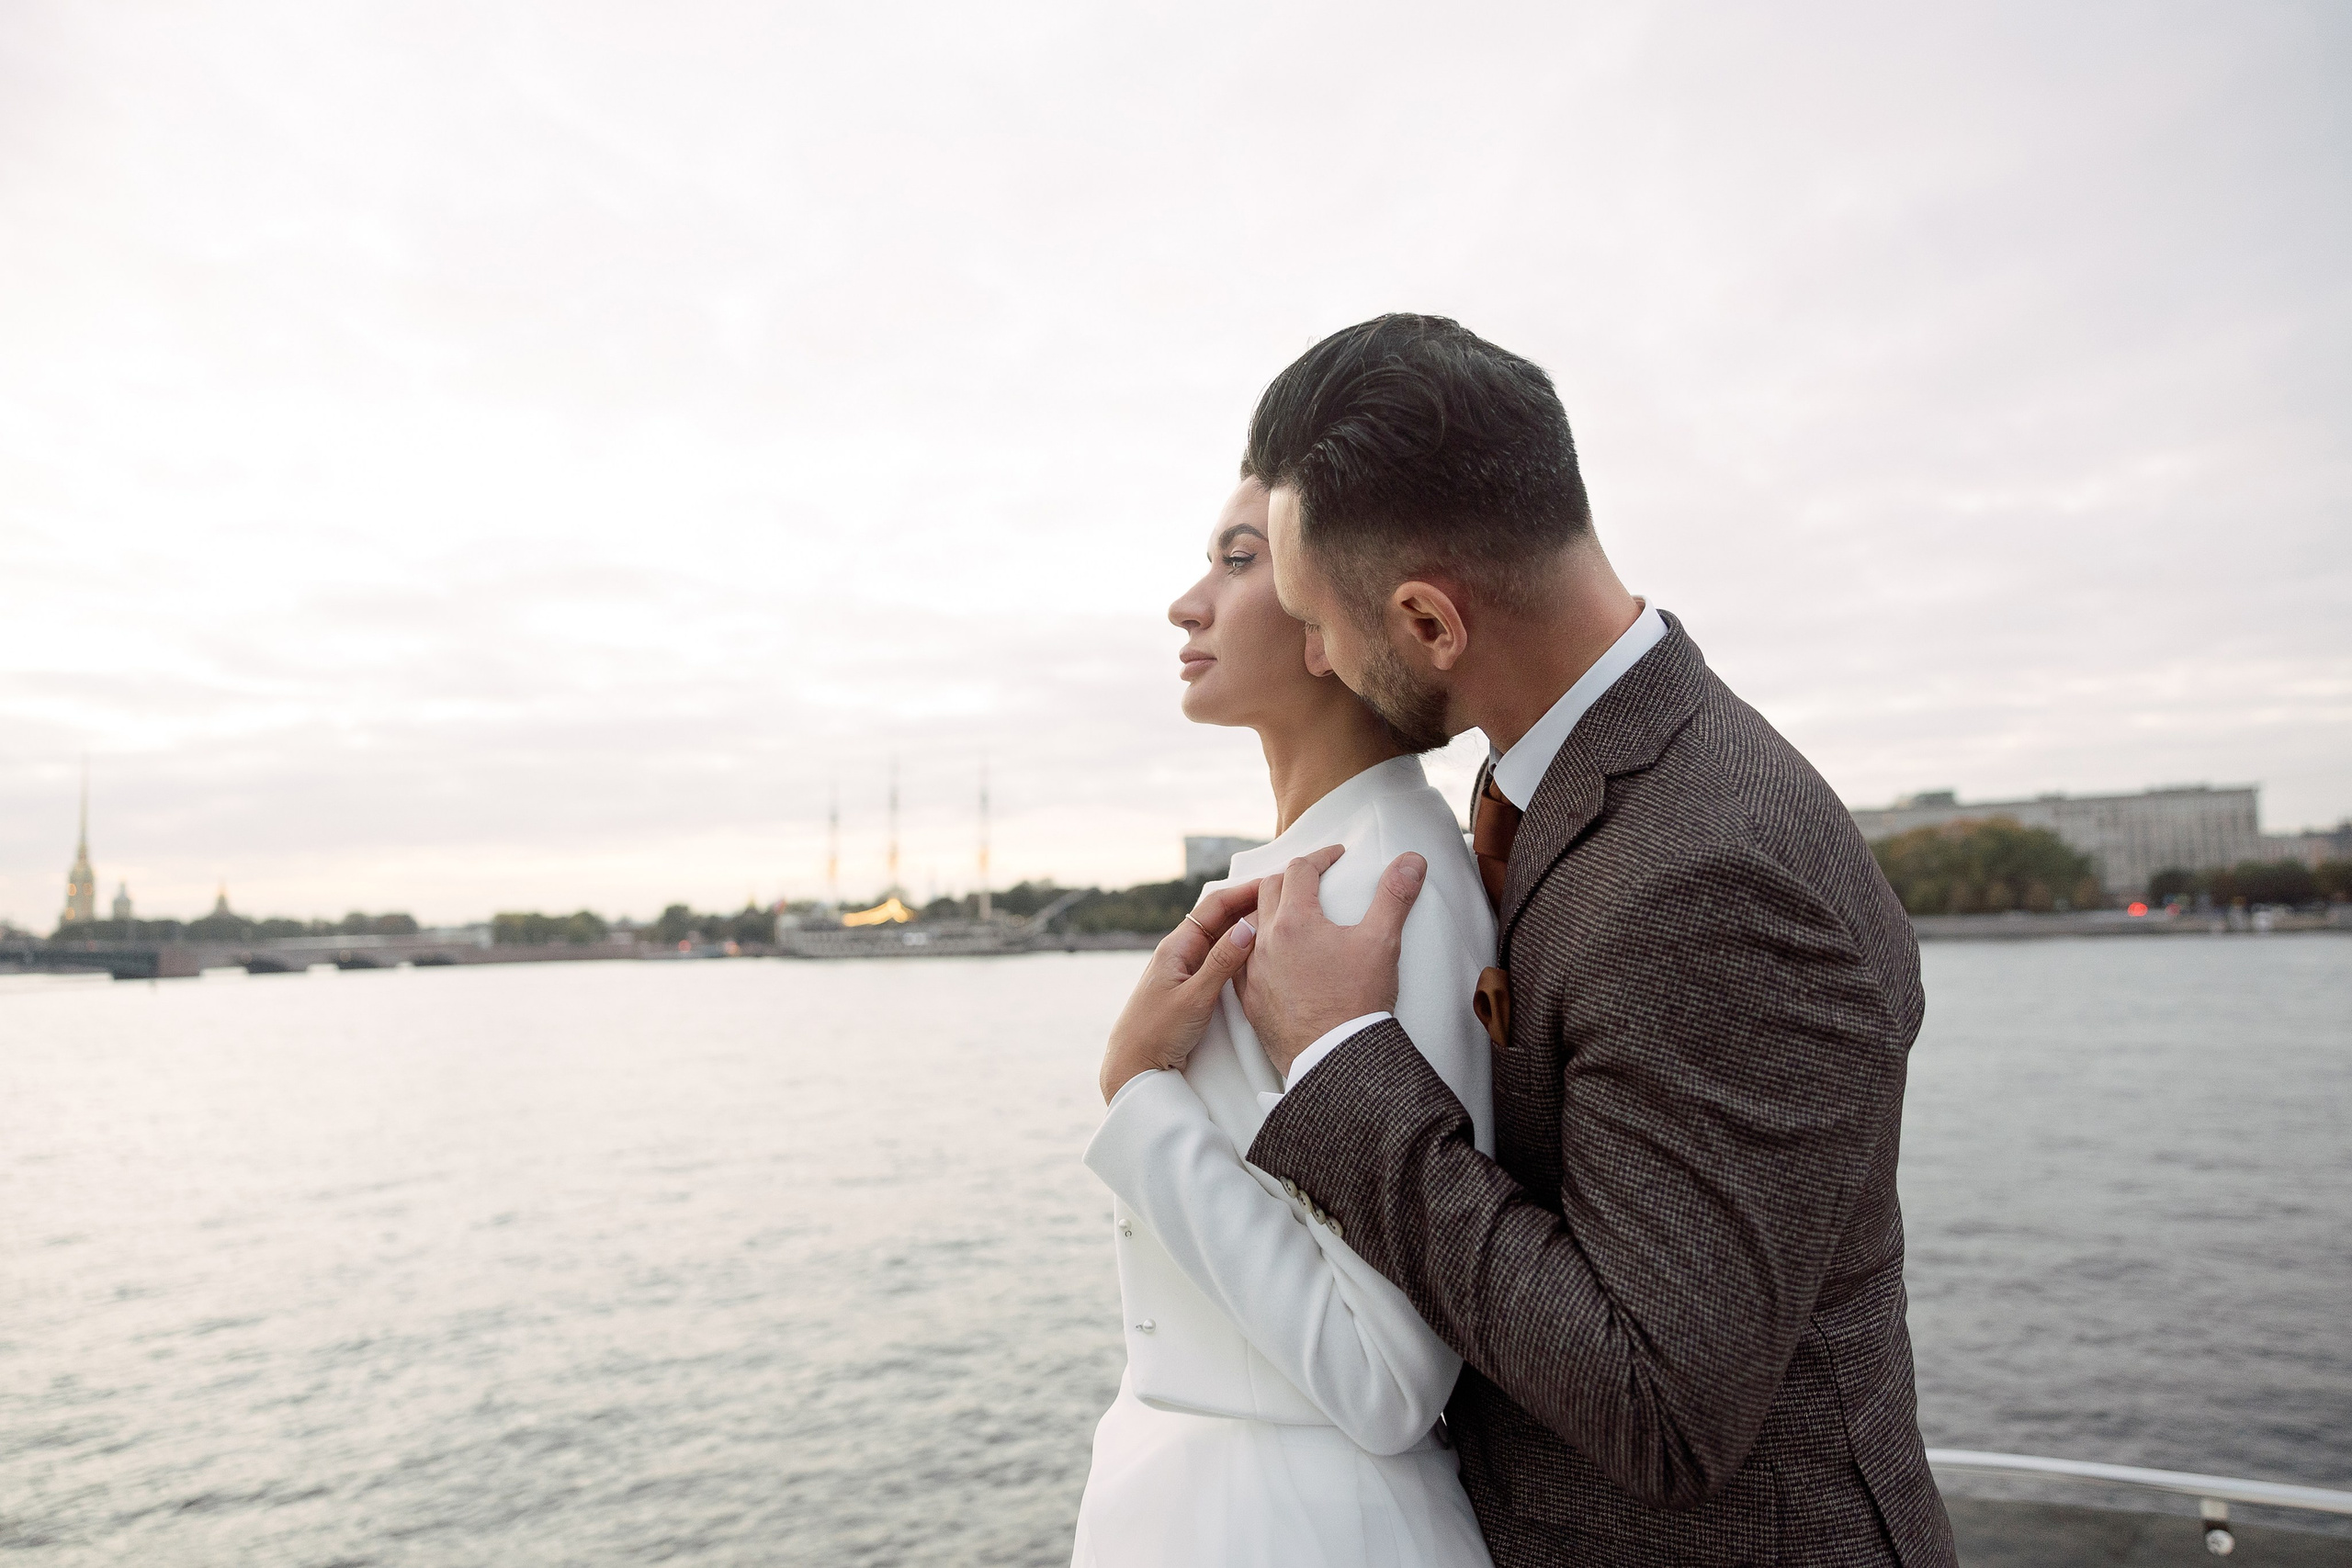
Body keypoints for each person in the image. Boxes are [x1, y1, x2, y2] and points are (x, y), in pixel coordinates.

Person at [1105, 315, 1957, 1568]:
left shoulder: (1714, 870)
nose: (1317, 653)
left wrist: (1337, 1055)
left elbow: (1663, 1407)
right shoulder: (1566, 787)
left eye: (1318, 620)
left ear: (1427, 622)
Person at [1073, 477, 1498, 1568]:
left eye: (1236, 560)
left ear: (1324, 614)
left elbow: (1387, 1378)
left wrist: (1137, 1093)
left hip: (1300, 1527)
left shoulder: (1382, 889)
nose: (1186, 604)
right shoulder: (1331, 868)